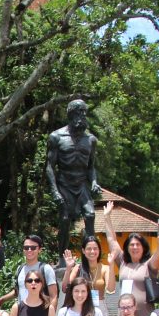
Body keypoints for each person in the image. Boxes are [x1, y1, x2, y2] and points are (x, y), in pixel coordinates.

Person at [45, 98, 102, 260]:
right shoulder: (56, 137)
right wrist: (55, 191)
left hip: (81, 184)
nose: (82, 116)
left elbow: (91, 167)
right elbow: (50, 166)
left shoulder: (90, 140)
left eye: (84, 113)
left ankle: (89, 260)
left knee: (90, 215)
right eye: (79, 112)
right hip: (64, 184)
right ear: (70, 114)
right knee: (65, 219)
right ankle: (62, 259)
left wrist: (94, 182)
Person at [107, 212, 159, 316]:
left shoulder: (148, 264)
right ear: (127, 248)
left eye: (138, 245)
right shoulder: (123, 262)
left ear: (143, 248)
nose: (135, 247)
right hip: (124, 314)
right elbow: (112, 240)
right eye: (132, 245)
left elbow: (157, 255)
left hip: (144, 315)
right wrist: (107, 217)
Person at [63, 234, 114, 314]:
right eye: (89, 249)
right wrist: (68, 268)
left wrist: (111, 265)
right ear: (83, 251)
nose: (92, 251)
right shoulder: (78, 268)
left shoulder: (105, 268)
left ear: (99, 250)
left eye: (95, 248)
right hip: (81, 308)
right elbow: (65, 289)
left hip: (100, 308)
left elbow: (110, 290)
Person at [3, 235, 57, 304]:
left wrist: (51, 311)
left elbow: (53, 296)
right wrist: (1, 300)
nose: (29, 250)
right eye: (26, 247)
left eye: (33, 248)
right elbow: (18, 291)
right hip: (22, 310)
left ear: (39, 250)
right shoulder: (20, 269)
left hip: (41, 310)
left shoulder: (46, 269)